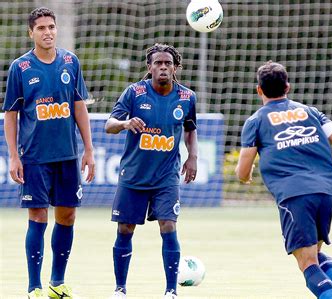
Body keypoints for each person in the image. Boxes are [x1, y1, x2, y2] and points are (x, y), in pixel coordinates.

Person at [235, 61, 332, 299]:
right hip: (326, 192)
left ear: (259, 90)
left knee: (307, 263)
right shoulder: (312, 112)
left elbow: (242, 173)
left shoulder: (256, 121)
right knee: (313, 254)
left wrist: (247, 173)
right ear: (288, 87)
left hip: (294, 195)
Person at [2, 7, 95, 299]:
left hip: (67, 154)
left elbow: (79, 105)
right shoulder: (21, 68)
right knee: (38, 217)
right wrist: (14, 156)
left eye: (51, 27)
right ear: (31, 32)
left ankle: (57, 282)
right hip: (35, 157)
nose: (48, 32)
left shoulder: (70, 62)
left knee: (67, 217)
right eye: (41, 28)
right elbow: (11, 113)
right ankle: (34, 287)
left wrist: (89, 149)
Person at [105, 43, 198, 299]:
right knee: (125, 229)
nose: (163, 67)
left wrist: (193, 156)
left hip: (166, 177)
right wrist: (125, 123)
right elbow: (109, 125)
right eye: (158, 63)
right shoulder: (134, 93)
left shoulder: (187, 97)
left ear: (176, 68)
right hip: (134, 175)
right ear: (150, 67)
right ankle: (120, 289)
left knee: (168, 225)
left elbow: (190, 129)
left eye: (168, 63)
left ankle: (170, 291)